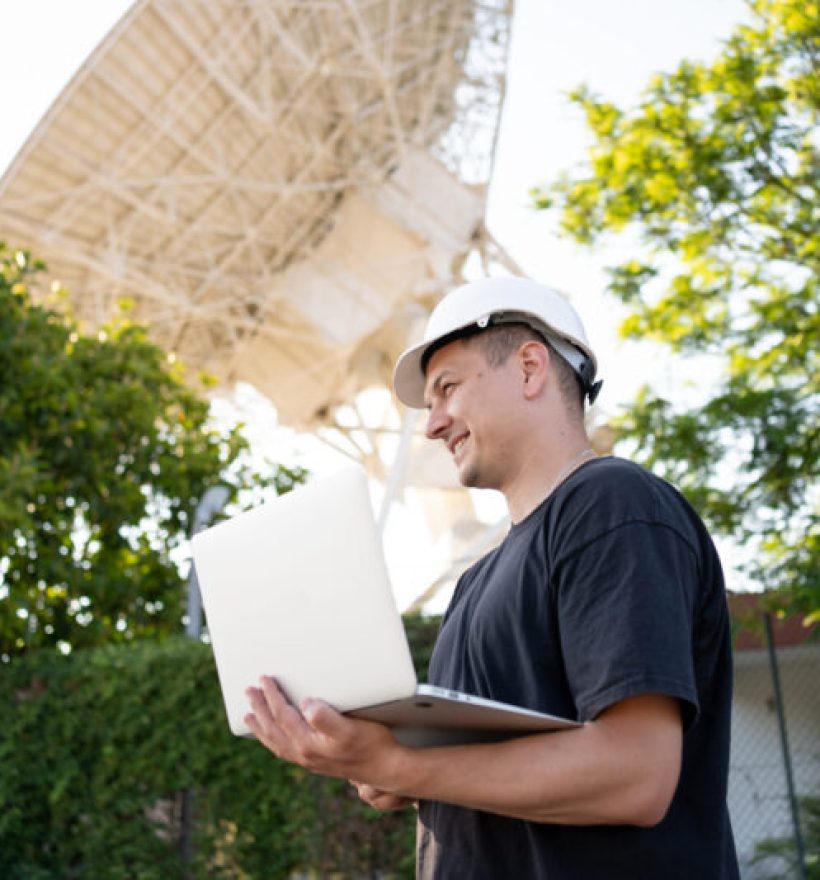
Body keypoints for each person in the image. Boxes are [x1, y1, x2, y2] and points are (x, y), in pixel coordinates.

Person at [245, 276, 740, 878]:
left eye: (447, 389)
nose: (432, 426)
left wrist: (401, 765)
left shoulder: (613, 505)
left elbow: (635, 775)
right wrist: (385, 764)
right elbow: (485, 768)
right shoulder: (474, 582)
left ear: (530, 368)